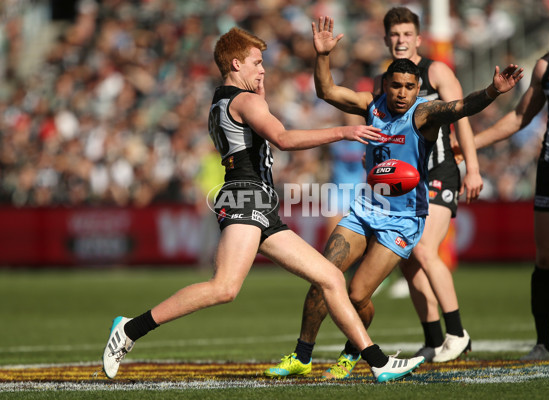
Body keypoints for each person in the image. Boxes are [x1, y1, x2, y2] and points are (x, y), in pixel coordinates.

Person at [101, 26, 427, 383]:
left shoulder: (224, 98)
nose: (263, 69)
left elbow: (253, 133)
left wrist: (261, 93)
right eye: (257, 63)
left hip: (256, 202)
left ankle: (378, 362)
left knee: (331, 277)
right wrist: (343, 131)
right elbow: (283, 139)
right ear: (236, 63)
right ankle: (131, 329)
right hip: (247, 199)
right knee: (224, 287)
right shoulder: (246, 101)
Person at [264, 16, 522, 379]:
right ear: (385, 84)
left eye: (409, 87)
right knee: (324, 276)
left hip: (402, 220)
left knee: (356, 296)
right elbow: (326, 91)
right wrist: (322, 56)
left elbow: (462, 107)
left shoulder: (424, 114)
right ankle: (302, 354)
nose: (402, 93)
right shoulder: (371, 104)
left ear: (419, 89)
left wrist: (493, 91)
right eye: (396, 85)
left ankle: (351, 354)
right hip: (365, 209)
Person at [465, 0, 549, 360]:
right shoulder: (546, 65)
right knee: (545, 258)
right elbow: (520, 117)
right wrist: (471, 144)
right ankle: (542, 344)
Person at [375, 6, 483, 363]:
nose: (401, 40)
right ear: (387, 38)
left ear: (418, 39)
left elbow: (462, 116)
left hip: (440, 172)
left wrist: (473, 167)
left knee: (423, 250)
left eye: (407, 34)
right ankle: (434, 339)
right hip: (406, 181)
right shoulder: (387, 78)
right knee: (408, 260)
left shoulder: (436, 71)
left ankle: (458, 333)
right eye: (395, 34)